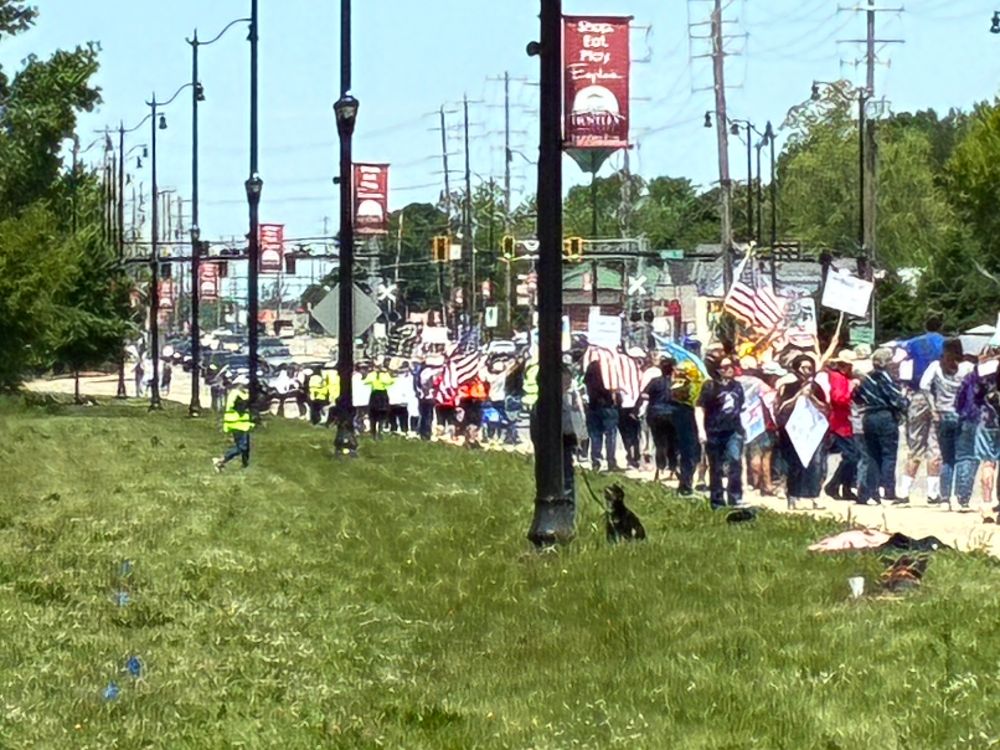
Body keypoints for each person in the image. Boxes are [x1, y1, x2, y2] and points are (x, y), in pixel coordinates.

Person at [915, 337, 972, 508]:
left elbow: (924, 385)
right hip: (962, 414)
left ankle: (945, 498)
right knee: (964, 457)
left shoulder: (936, 366)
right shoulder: (967, 367)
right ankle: (962, 498)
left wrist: (932, 406)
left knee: (947, 458)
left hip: (942, 413)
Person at [853, 347, 909, 505]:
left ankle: (872, 492)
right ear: (886, 362)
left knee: (872, 455)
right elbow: (896, 400)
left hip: (868, 416)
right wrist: (905, 404)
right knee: (888, 455)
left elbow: (857, 397)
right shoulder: (887, 378)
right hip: (885, 416)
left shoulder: (866, 379)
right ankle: (888, 491)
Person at [899, 315, 946, 502]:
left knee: (915, 443)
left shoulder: (912, 343)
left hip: (918, 393)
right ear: (941, 326)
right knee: (935, 444)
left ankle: (903, 491)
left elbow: (902, 364)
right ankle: (933, 493)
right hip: (939, 395)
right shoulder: (946, 343)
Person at [775, 354, 830, 510]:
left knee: (816, 464)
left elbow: (825, 408)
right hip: (793, 431)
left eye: (810, 368)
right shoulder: (788, 386)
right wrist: (798, 395)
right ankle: (793, 495)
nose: (807, 371)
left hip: (813, 430)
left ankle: (813, 495)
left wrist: (811, 396)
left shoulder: (817, 387)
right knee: (795, 464)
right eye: (804, 368)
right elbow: (782, 408)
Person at [696, 355, 745, 509]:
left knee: (735, 461)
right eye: (725, 367)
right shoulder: (710, 387)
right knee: (715, 466)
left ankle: (735, 496)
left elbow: (741, 407)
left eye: (732, 365)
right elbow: (700, 407)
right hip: (714, 430)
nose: (730, 369)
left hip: (733, 430)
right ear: (717, 370)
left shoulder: (737, 386)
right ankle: (717, 500)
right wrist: (701, 430)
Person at [823, 351, 859, 501]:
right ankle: (834, 485)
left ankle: (844, 486)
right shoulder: (838, 378)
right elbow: (838, 398)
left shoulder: (842, 377)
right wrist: (851, 390)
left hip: (844, 422)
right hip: (838, 423)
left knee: (853, 455)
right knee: (851, 456)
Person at [640, 357, 676, 483]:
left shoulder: (655, 381)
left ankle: (659, 471)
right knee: (673, 443)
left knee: (659, 443)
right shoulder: (677, 382)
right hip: (673, 415)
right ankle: (672, 470)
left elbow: (644, 394)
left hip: (655, 414)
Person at [584, 358, 620, 471]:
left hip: (593, 406)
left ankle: (596, 462)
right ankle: (611, 462)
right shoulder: (607, 379)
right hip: (607, 406)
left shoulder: (590, 379)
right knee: (611, 435)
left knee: (595, 435)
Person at [213, 375, 254, 471]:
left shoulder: (241, 394)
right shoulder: (235, 394)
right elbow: (240, 406)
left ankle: (245, 466)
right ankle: (221, 460)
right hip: (237, 424)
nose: (246, 386)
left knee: (246, 447)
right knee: (241, 447)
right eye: (245, 385)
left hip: (243, 424)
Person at [363, 360, 395, 438]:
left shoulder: (375, 375)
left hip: (379, 394)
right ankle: (376, 432)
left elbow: (365, 381)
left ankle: (377, 431)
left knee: (379, 414)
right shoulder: (380, 375)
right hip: (379, 394)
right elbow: (391, 382)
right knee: (376, 414)